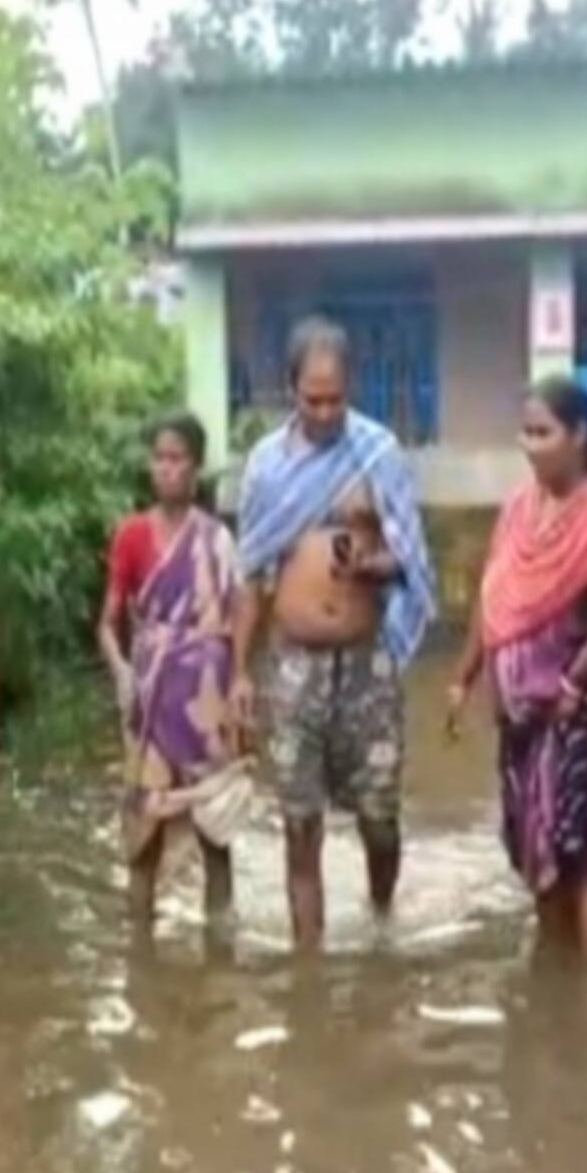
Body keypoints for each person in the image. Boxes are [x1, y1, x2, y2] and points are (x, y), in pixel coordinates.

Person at [233, 318, 437, 948]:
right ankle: (308, 971)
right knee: (300, 824)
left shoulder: (377, 453)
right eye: (311, 399)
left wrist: (372, 564)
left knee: (379, 817)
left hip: (367, 666)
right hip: (292, 669)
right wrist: (238, 670)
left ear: (352, 389)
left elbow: (412, 559)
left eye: (336, 399)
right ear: (289, 389)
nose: (324, 412)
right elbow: (249, 569)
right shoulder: (266, 466)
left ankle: (381, 920)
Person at [446, 376, 587, 958]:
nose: (530, 445)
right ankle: (555, 980)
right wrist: (463, 676)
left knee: (586, 858)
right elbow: (495, 599)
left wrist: (573, 681)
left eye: (543, 433)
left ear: (580, 434)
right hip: (522, 723)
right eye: (526, 432)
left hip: (580, 713)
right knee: (537, 855)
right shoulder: (520, 509)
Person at [97, 413, 246, 926]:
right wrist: (120, 670)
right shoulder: (132, 536)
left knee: (215, 827)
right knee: (144, 836)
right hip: (151, 694)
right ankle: (141, 953)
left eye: (177, 458)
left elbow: (237, 620)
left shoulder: (218, 540)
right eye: (158, 458)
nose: (166, 469)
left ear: (196, 467)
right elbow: (107, 622)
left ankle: (220, 947)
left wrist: (241, 684)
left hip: (207, 697)